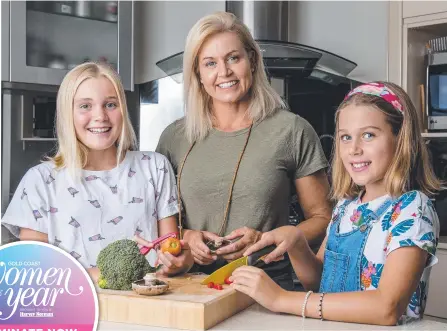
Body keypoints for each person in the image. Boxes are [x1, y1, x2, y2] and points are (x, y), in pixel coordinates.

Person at [230, 82, 441, 325]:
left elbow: (387, 308)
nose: (354, 149)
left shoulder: (412, 209)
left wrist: (281, 299)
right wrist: (297, 243)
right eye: (346, 137)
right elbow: (321, 283)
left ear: (400, 138)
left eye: (369, 135)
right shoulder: (346, 207)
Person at [156, 11, 332, 290]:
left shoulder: (292, 130)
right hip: (189, 290)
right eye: (210, 63)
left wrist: (268, 238)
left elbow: (323, 219)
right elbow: (156, 220)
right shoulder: (174, 137)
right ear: (198, 74)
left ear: (251, 60)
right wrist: (188, 236)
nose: (223, 72)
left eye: (233, 58)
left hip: (268, 290)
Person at [2, 62, 194, 280]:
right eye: (85, 106)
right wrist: (112, 275)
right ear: (68, 114)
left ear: (123, 110)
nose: (100, 116)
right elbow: (34, 268)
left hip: (148, 307)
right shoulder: (39, 181)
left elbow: (170, 250)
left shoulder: (155, 167)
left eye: (110, 104)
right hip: (76, 309)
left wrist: (180, 262)